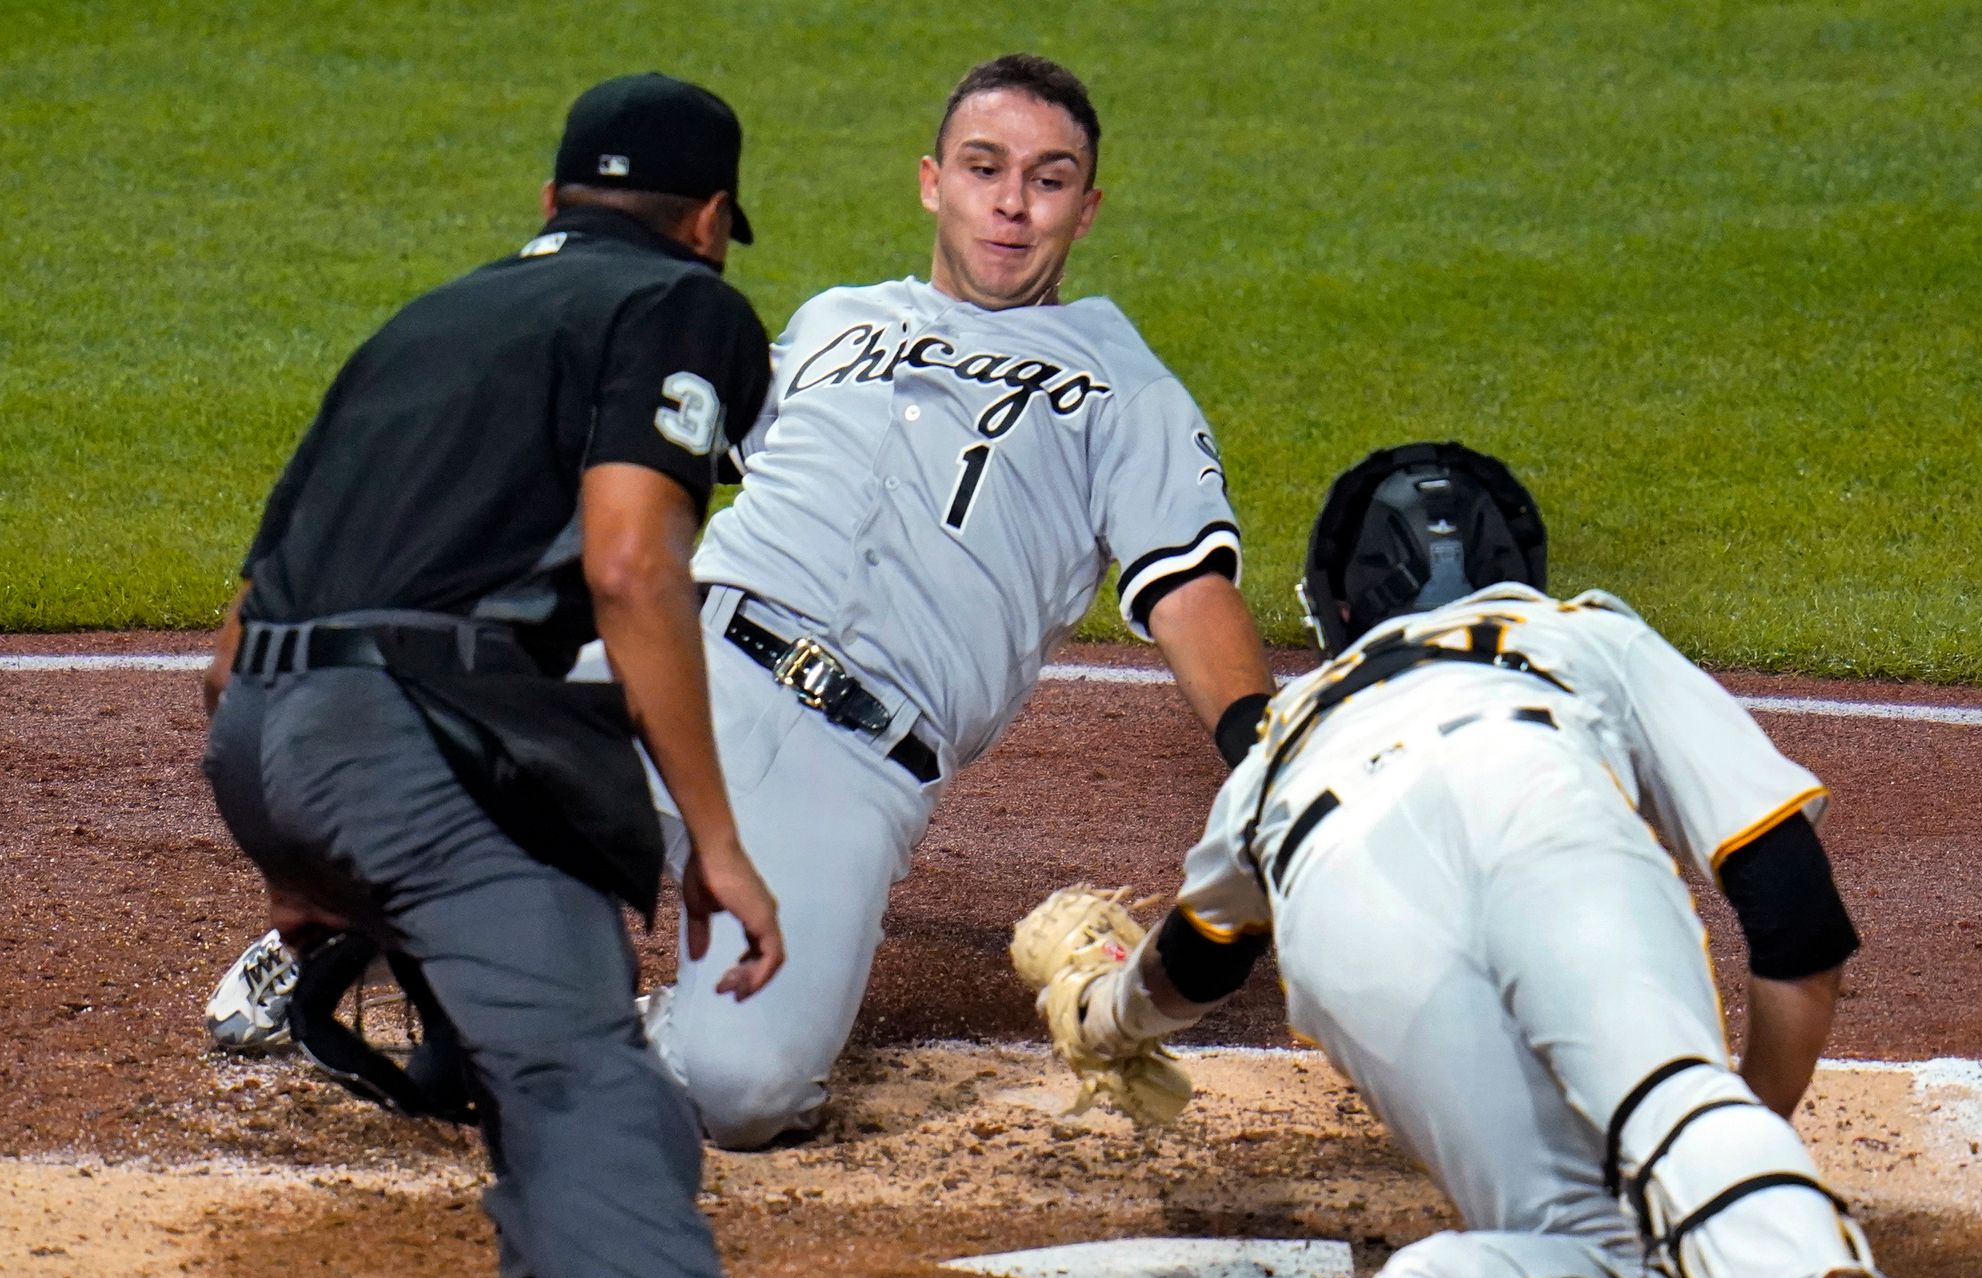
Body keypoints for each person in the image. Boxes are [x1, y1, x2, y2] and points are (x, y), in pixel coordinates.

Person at [208, 52, 1273, 1151]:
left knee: (744, 1093)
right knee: (412, 727)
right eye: (983, 167)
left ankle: (587, 1024)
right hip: (687, 661)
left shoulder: (1124, 382)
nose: (1011, 201)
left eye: (1048, 180)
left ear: (1086, 209)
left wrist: (1264, 745)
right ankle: (337, 930)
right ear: (931, 181)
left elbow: (1187, 584)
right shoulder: (828, 324)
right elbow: (644, 454)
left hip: (855, 764)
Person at [1020, 442, 1896, 1278]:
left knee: (1574, 1231)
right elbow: (1794, 904)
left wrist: (1105, 1012)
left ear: (1340, 607)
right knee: (1671, 1108)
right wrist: (1743, 1133)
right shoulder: (1579, 630)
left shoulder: (1288, 733)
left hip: (1344, 898)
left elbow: (1200, 959)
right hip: (1534, 799)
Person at [199, 73, 784, 1278]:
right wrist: (717, 840)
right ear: (709, 218)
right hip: (413, 746)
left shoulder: (426, 322)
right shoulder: (682, 301)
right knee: (593, 1090)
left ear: (551, 201)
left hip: (261, 736)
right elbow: (634, 563)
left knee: (529, 1055)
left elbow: (237, 631)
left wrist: (291, 854)